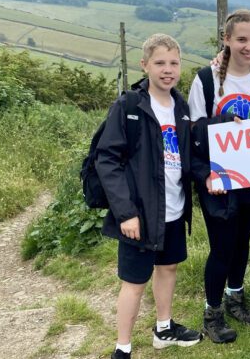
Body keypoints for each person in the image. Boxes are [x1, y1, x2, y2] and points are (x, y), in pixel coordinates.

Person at [96, 34, 202, 359]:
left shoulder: (181, 107)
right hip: (140, 214)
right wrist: (126, 212)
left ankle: (164, 328)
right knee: (134, 281)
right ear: (144, 65)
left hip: (172, 210)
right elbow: (107, 160)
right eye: (159, 63)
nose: (167, 70)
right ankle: (123, 348)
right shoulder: (129, 106)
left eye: (173, 63)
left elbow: (194, 146)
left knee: (168, 268)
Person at [189, 9, 250, 343]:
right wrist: (206, 176)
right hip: (219, 181)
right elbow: (194, 133)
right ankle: (212, 312)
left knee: (242, 241)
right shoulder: (206, 79)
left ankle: (235, 296)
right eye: (241, 39)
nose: (248, 46)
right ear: (226, 39)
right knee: (222, 247)